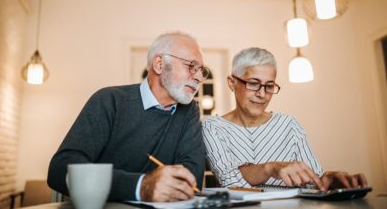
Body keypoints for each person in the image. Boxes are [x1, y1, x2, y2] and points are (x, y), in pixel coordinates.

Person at [48, 32, 209, 202]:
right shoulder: (109, 100)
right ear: (160, 64)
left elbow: (192, 177)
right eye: (191, 66)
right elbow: (60, 170)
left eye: (201, 70)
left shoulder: (189, 111)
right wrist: (141, 186)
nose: (199, 78)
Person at [203, 47, 368, 191]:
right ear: (232, 83)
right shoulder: (212, 127)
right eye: (253, 83)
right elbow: (230, 182)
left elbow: (312, 182)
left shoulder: (289, 125)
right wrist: (270, 168)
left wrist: (330, 179)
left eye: (269, 86)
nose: (262, 94)